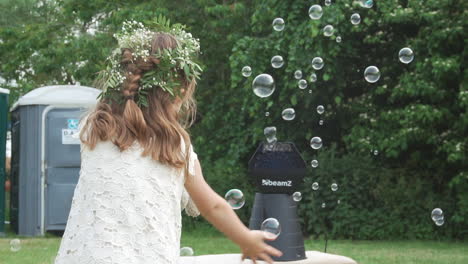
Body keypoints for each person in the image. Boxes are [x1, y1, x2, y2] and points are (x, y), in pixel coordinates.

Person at [54, 19, 282, 264]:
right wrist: (246, 239)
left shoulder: (94, 128)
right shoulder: (176, 146)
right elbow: (213, 206)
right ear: (181, 92)